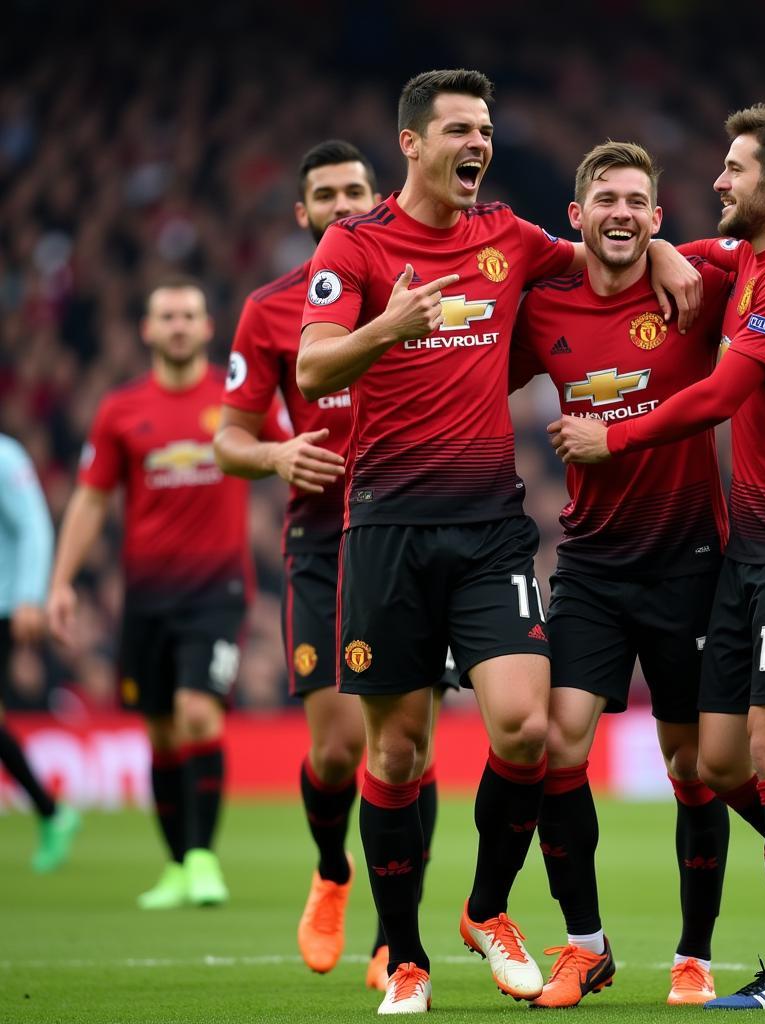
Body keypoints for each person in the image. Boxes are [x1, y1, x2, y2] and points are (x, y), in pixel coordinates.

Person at [295, 69, 701, 1014]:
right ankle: (405, 958)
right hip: (386, 526)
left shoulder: (510, 238)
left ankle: (486, 908)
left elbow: (613, 244)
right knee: (395, 754)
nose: (479, 144)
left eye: (485, 129)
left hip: (488, 529)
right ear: (412, 142)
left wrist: (673, 249)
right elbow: (314, 366)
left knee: (523, 727)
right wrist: (388, 327)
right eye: (460, 131)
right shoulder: (354, 245)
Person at [550, 103, 765, 1011]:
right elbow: (679, 256)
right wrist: (670, 251)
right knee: (716, 761)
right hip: (752, 546)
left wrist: (612, 434)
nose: (718, 179)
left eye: (734, 167)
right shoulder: (749, 257)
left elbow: (718, 395)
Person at [214, 139, 455, 986]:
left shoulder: (423, 285)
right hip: (325, 545)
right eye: (327, 193)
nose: (345, 203)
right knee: (337, 748)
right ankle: (332, 867)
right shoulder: (271, 309)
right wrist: (277, 458)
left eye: (357, 188)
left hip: (410, 531)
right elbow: (227, 436)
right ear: (304, 214)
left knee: (408, 746)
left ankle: (399, 936)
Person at [48, 278, 283, 910]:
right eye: (166, 316)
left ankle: (204, 858)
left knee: (198, 714)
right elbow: (93, 498)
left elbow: (286, 449)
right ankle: (178, 863)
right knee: (159, 733)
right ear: (148, 330)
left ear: (209, 329)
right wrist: (62, 580)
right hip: (146, 596)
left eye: (189, 315)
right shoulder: (120, 410)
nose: (178, 325)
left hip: (217, 589)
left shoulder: (235, 400)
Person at [0, 433, 80, 871]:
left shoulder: (5, 455)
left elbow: (32, 523)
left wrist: (30, 595)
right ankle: (50, 810)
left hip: (5, 605)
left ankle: (52, 811)